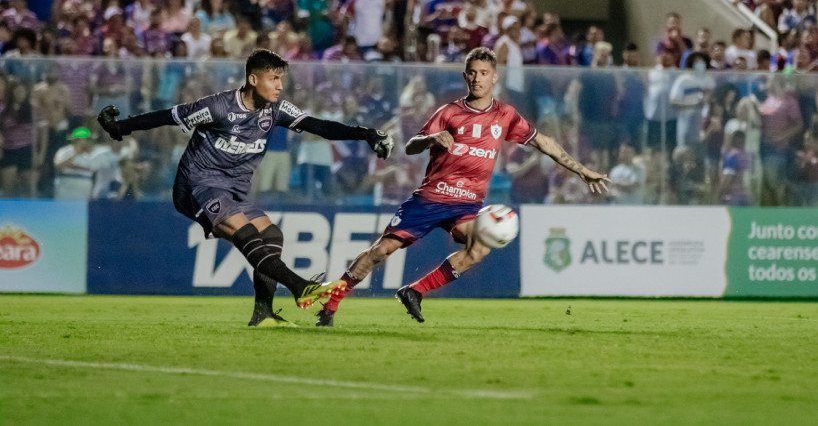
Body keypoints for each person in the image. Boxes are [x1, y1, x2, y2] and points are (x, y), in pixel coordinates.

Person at [96, 49, 395, 327]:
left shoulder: (275, 110)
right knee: (248, 234)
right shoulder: (217, 107)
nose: (279, 86)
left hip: (233, 191)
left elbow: (321, 126)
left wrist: (365, 133)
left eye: (281, 79)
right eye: (273, 78)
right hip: (197, 185)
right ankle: (301, 287)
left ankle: (263, 314)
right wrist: (120, 127)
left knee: (272, 234)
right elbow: (169, 117)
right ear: (253, 79)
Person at [315, 47, 610, 327]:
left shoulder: (505, 115)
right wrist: (431, 139)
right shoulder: (449, 112)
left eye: (483, 72)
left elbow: (544, 142)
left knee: (479, 248)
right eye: (472, 72)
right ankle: (332, 302)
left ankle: (415, 291)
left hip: (467, 205)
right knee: (383, 250)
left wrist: (582, 171)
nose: (477, 78)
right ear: (465, 76)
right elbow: (410, 146)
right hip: (431, 199)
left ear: (494, 77)